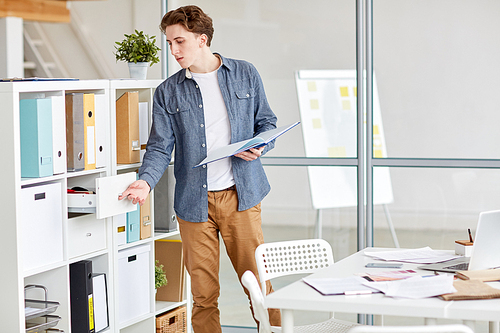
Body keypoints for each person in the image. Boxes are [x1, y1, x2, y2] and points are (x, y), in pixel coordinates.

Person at [118, 5, 281, 333]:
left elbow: (267, 122)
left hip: (242, 197)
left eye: (180, 41)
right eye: (169, 44)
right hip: (194, 205)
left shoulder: (245, 73)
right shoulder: (167, 91)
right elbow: (160, 148)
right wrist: (144, 183)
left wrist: (260, 145)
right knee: (203, 295)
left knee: (259, 288)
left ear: (202, 39)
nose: (174, 50)